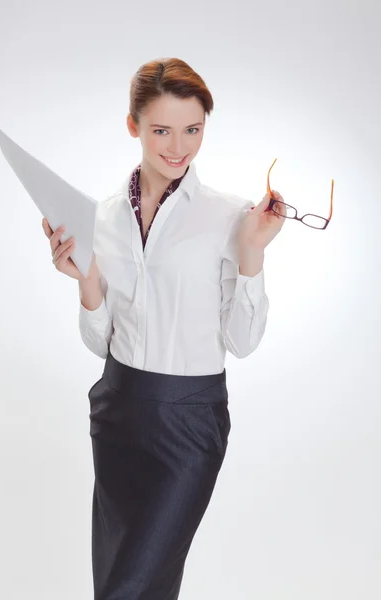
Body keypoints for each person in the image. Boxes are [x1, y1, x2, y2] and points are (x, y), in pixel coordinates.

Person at [42, 57, 286, 600]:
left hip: (191, 424)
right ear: (133, 126)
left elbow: (243, 343)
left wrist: (251, 252)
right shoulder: (102, 217)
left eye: (193, 130)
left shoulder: (230, 216)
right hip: (117, 411)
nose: (178, 147)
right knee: (125, 583)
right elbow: (99, 342)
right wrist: (84, 281)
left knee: (130, 586)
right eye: (161, 130)